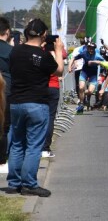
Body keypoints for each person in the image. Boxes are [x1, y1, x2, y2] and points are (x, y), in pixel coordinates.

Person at [7, 18, 64, 197]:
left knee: (17, 143)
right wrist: (57, 50)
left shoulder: (15, 51)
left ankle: (14, 182)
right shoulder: (43, 56)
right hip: (37, 103)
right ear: (43, 35)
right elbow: (59, 71)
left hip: (16, 102)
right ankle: (30, 184)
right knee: (33, 145)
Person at [0, 17, 12, 174]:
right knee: (3, 127)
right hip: (6, 91)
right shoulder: (11, 51)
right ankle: (2, 160)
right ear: (7, 32)